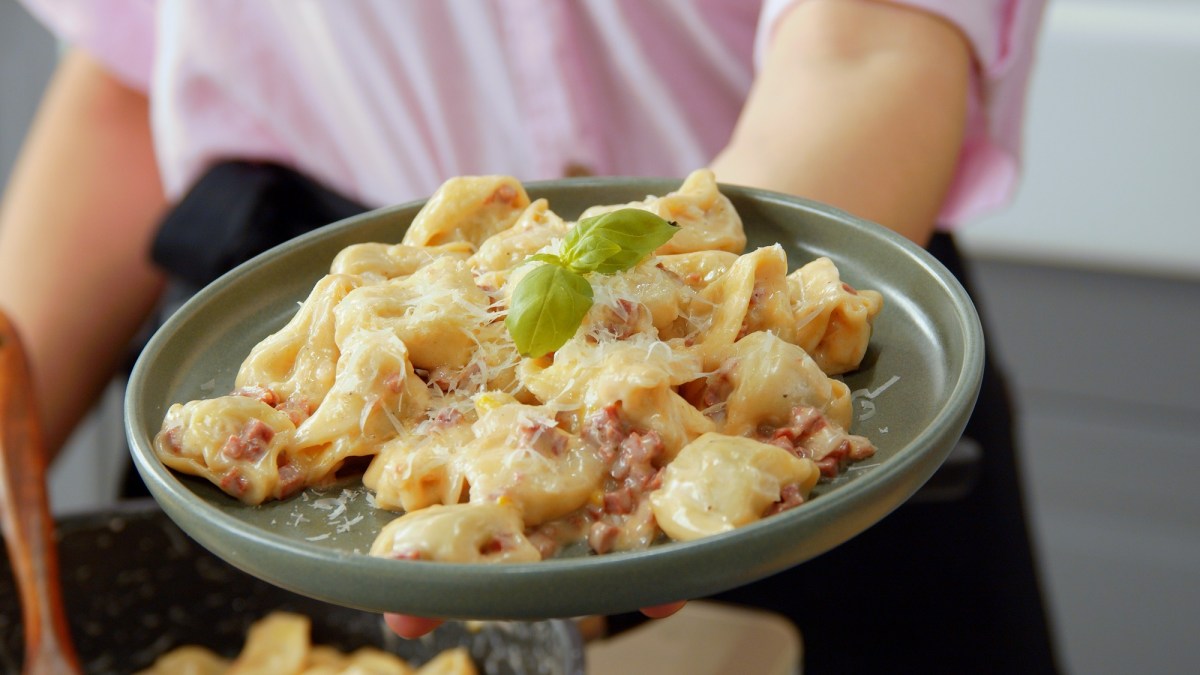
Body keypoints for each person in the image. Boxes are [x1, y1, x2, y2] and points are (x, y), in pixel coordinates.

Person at [1, 1, 1058, 672]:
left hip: (794, 271)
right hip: (283, 311)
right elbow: (129, 73)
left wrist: (641, 440)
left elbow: (867, 45)